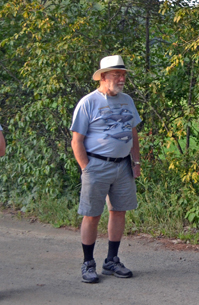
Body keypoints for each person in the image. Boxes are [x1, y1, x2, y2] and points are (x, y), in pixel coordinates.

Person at [70, 55, 142, 283]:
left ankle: (111, 261)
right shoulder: (88, 102)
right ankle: (88, 263)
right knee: (92, 215)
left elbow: (133, 134)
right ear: (103, 77)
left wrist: (136, 162)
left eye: (123, 75)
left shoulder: (127, 100)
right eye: (117, 75)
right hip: (97, 165)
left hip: (123, 166)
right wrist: (86, 168)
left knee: (119, 211)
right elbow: (76, 140)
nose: (122, 79)